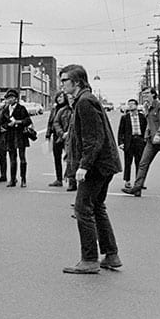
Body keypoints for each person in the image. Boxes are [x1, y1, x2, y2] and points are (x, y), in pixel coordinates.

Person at [59, 64, 121, 274]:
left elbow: (94, 139)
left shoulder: (85, 102)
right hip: (104, 164)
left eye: (65, 80)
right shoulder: (85, 100)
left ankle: (90, 259)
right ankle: (111, 254)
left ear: (76, 82)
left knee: (82, 208)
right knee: (97, 206)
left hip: (96, 166)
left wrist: (83, 166)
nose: (62, 84)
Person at [122, 87, 160, 197]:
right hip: (151, 140)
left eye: (147, 93)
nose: (145, 95)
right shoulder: (146, 107)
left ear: (153, 94)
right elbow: (149, 124)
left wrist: (159, 134)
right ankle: (137, 188)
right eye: (143, 94)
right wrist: (147, 135)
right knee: (143, 163)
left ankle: (137, 187)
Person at [0, 88, 32, 187]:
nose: (10, 100)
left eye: (12, 98)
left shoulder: (21, 108)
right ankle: (12, 179)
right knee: (12, 158)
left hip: (20, 135)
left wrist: (17, 122)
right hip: (10, 136)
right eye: (8, 98)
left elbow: (28, 120)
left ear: (16, 99)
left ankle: (23, 179)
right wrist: (7, 126)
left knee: (22, 158)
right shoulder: (5, 109)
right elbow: (1, 123)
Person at [116, 98, 146, 190]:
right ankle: (127, 181)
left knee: (140, 163)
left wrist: (146, 140)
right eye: (129, 104)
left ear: (137, 106)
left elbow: (146, 129)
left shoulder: (142, 117)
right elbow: (120, 131)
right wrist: (120, 142)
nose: (130, 106)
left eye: (132, 104)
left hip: (140, 141)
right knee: (128, 162)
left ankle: (139, 182)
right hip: (129, 142)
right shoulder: (125, 117)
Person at [46, 92, 69, 187]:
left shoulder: (68, 108)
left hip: (66, 136)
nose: (59, 98)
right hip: (56, 136)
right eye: (58, 97)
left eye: (61, 97)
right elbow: (50, 122)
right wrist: (48, 134)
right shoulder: (54, 109)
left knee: (69, 158)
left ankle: (71, 179)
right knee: (57, 158)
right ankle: (59, 179)